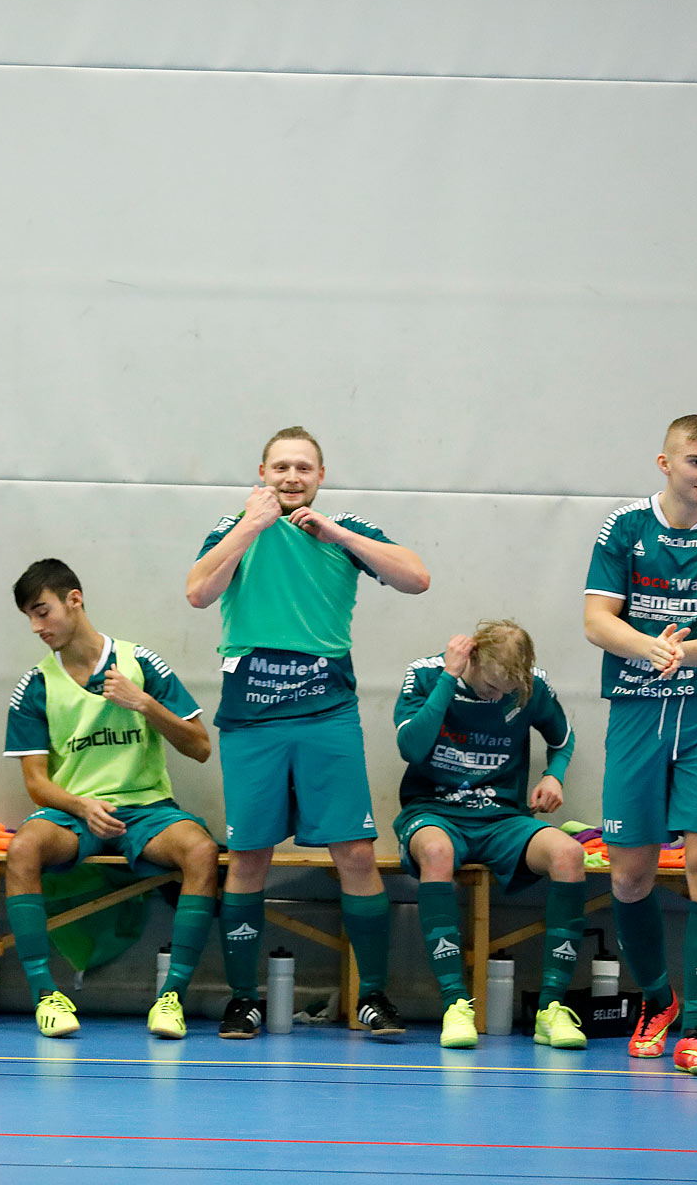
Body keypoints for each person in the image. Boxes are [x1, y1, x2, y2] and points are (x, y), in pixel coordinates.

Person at [186, 426, 430, 1038]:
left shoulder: (343, 531)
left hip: (327, 710)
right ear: (261, 473)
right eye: (281, 468)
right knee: (248, 857)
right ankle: (244, 998)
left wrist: (335, 532)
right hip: (252, 716)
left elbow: (416, 578)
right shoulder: (234, 528)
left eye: (304, 469)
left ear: (320, 477)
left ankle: (372, 996)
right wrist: (250, 526)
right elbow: (197, 592)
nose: (292, 477)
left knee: (353, 850)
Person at [582, 414, 697, 1077]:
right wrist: (649, 648)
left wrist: (684, 653)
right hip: (636, 712)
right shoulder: (624, 527)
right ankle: (657, 1002)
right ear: (665, 464)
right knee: (630, 874)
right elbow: (596, 619)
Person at [3, 559, 217, 1040]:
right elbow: (36, 782)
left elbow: (200, 747)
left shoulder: (141, 663)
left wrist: (144, 702)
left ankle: (172, 998)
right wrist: (81, 806)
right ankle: (46, 996)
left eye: (43, 612)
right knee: (22, 849)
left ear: (74, 600)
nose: (37, 627)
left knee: (201, 851)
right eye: (29, 618)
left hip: (146, 809)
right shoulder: (35, 684)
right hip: (73, 812)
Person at [392, 621, 587, 1050]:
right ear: (473, 657)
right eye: (491, 685)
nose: (497, 696)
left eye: (507, 689)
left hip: (503, 819)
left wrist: (554, 777)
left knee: (570, 855)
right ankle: (454, 1005)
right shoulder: (426, 674)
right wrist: (449, 677)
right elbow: (412, 747)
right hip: (434, 811)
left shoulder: (530, 686)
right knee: (438, 852)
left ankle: (552, 1011)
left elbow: (563, 741)